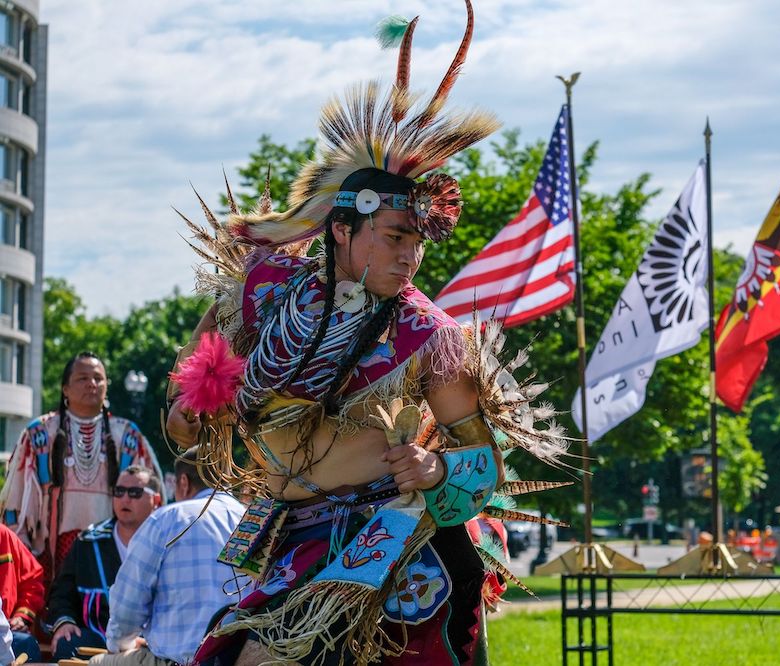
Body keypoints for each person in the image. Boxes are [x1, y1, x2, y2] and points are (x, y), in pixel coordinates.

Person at [165, 2, 569, 664]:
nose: (409, 257)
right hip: (291, 539)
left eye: (416, 242)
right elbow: (198, 390)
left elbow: (485, 464)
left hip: (385, 544)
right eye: (393, 238)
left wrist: (437, 465)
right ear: (343, 232)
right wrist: (191, 414)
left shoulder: (430, 336)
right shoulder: (265, 292)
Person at [0, 352, 162, 583]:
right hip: (50, 547)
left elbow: (151, 495)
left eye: (98, 378)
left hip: (114, 545)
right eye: (82, 378)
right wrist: (21, 547)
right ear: (65, 388)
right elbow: (17, 498)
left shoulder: (126, 434)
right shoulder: (40, 432)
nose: (92, 384)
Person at [93, 448, 245, 666]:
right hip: (241, 656)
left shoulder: (168, 518)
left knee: (98, 663)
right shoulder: (250, 519)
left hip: (179, 661)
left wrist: (118, 645)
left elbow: (128, 607)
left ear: (183, 482)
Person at [47, 466, 162, 660]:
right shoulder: (88, 541)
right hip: (98, 637)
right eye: (119, 491)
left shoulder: (167, 542)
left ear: (156, 500)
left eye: (135, 492)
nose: (125, 499)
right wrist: (64, 622)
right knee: (68, 644)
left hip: (151, 642)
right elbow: (62, 592)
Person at [0, 523, 43, 661]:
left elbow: (32, 579)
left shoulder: (3, 536)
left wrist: (21, 616)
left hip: (6, 632)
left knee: (26, 644)